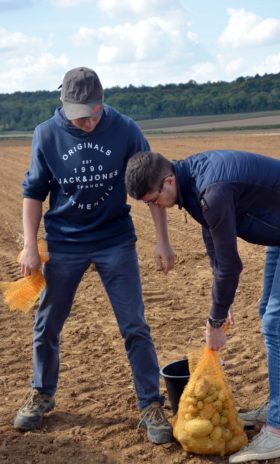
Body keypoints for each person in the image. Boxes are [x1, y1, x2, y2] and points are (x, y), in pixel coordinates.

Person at [14, 67, 174, 445]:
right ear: (62, 104)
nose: (88, 121)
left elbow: (151, 183)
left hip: (114, 240)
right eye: (79, 114)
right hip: (65, 242)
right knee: (47, 322)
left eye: (94, 111)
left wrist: (162, 240)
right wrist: (28, 244)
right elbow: (33, 193)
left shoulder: (126, 129)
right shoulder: (47, 134)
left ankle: (150, 403)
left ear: (103, 101)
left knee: (134, 324)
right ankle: (41, 393)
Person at [125, 149, 280, 462]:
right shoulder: (191, 184)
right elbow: (214, 242)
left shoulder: (212, 189)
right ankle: (279, 405)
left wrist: (215, 321)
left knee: (275, 322)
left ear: (167, 181)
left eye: (153, 200)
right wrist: (221, 302)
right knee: (268, 315)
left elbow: (230, 265)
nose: (155, 207)